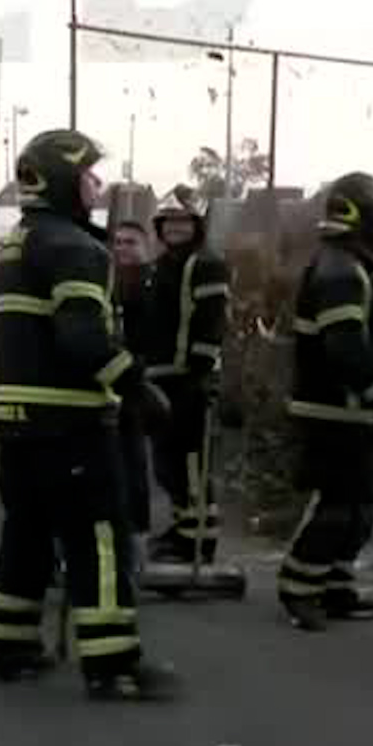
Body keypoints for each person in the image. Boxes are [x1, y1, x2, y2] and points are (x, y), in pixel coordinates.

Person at [0, 128, 181, 702]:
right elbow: (81, 337)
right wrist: (137, 385)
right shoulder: (75, 248)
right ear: (68, 179)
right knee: (98, 539)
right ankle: (113, 665)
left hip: (19, 424)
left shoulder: (18, 243)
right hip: (68, 426)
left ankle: (14, 646)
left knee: (25, 533)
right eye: (90, 175)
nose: (97, 186)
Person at [278, 172, 373, 632]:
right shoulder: (340, 271)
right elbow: (347, 350)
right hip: (330, 410)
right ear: (368, 217)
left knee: (358, 508)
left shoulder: (347, 265)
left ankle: (334, 585)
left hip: (350, 408)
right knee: (335, 506)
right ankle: (298, 586)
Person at [140, 186, 231, 565]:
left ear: (197, 224)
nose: (175, 228)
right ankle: (183, 530)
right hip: (162, 378)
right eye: (169, 221)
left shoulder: (205, 263)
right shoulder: (164, 264)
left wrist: (200, 373)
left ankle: (198, 542)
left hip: (187, 380)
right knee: (168, 464)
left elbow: (212, 323)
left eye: (183, 221)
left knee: (191, 464)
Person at [111, 220, 155, 547]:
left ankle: (138, 534)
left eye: (131, 242)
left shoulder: (153, 283)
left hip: (138, 381)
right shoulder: (108, 282)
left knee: (134, 459)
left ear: (146, 247)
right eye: (119, 242)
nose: (123, 248)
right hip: (107, 380)